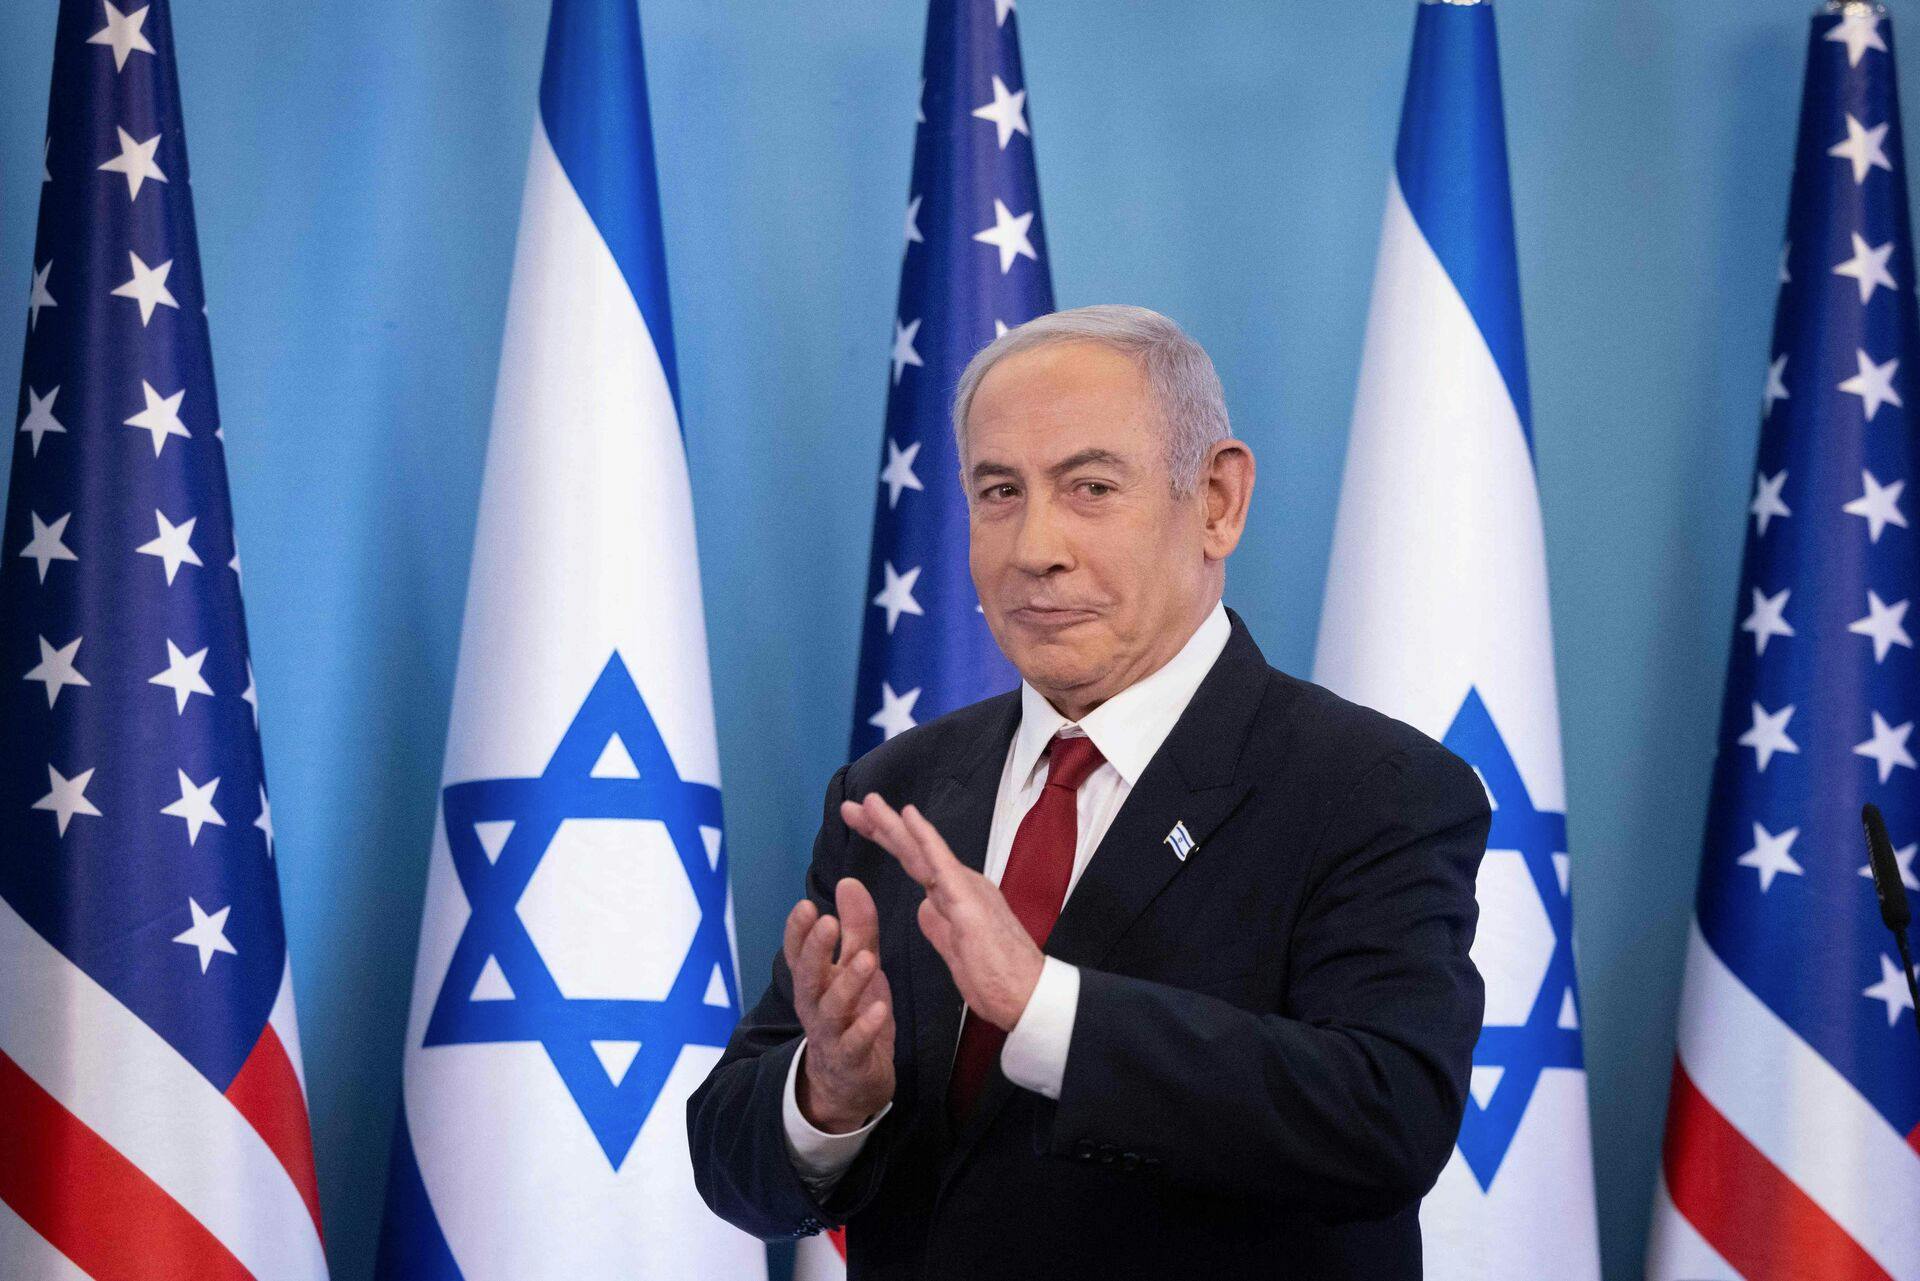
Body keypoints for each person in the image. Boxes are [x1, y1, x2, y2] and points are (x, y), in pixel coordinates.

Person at [687, 305, 1490, 1280]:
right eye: (997, 492)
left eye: (1091, 487)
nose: (1035, 548)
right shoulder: (894, 794)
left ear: (1217, 501)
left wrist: (1045, 1012)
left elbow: (1384, 1119)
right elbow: (731, 1168)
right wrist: (827, 1097)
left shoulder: (1374, 788)